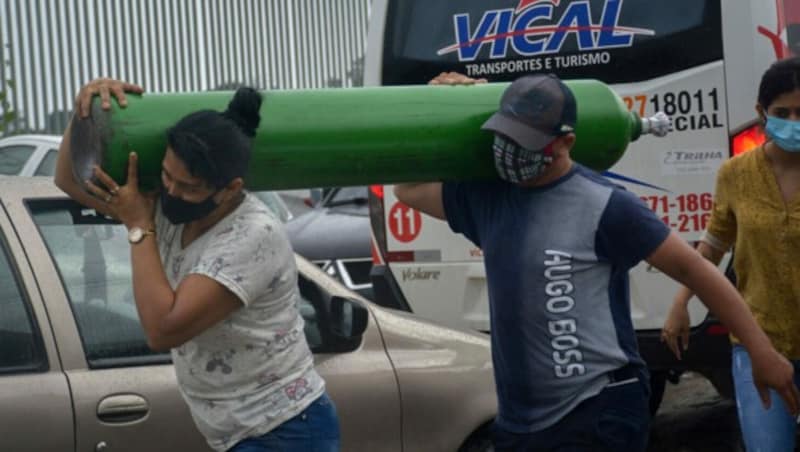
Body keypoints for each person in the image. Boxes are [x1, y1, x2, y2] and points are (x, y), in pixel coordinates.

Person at [395, 71, 800, 452]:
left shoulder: (605, 205)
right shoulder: (489, 199)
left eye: (527, 142)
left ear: (565, 142)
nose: (512, 152)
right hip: (521, 423)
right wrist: (446, 104)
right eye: (506, 137)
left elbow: (696, 269)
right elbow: (407, 188)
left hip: (597, 409)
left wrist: (760, 352)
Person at [54, 78, 340, 452]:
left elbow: (163, 330)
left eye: (189, 187)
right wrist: (84, 112)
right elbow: (67, 180)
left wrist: (139, 228)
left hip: (283, 428)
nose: (172, 192)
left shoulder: (252, 236)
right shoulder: (168, 211)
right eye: (168, 177)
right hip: (237, 431)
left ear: (230, 189)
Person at [661, 57, 800, 451]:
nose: (793, 121)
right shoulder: (736, 174)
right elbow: (715, 244)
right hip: (758, 340)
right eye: (782, 113)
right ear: (761, 114)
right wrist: (680, 301)